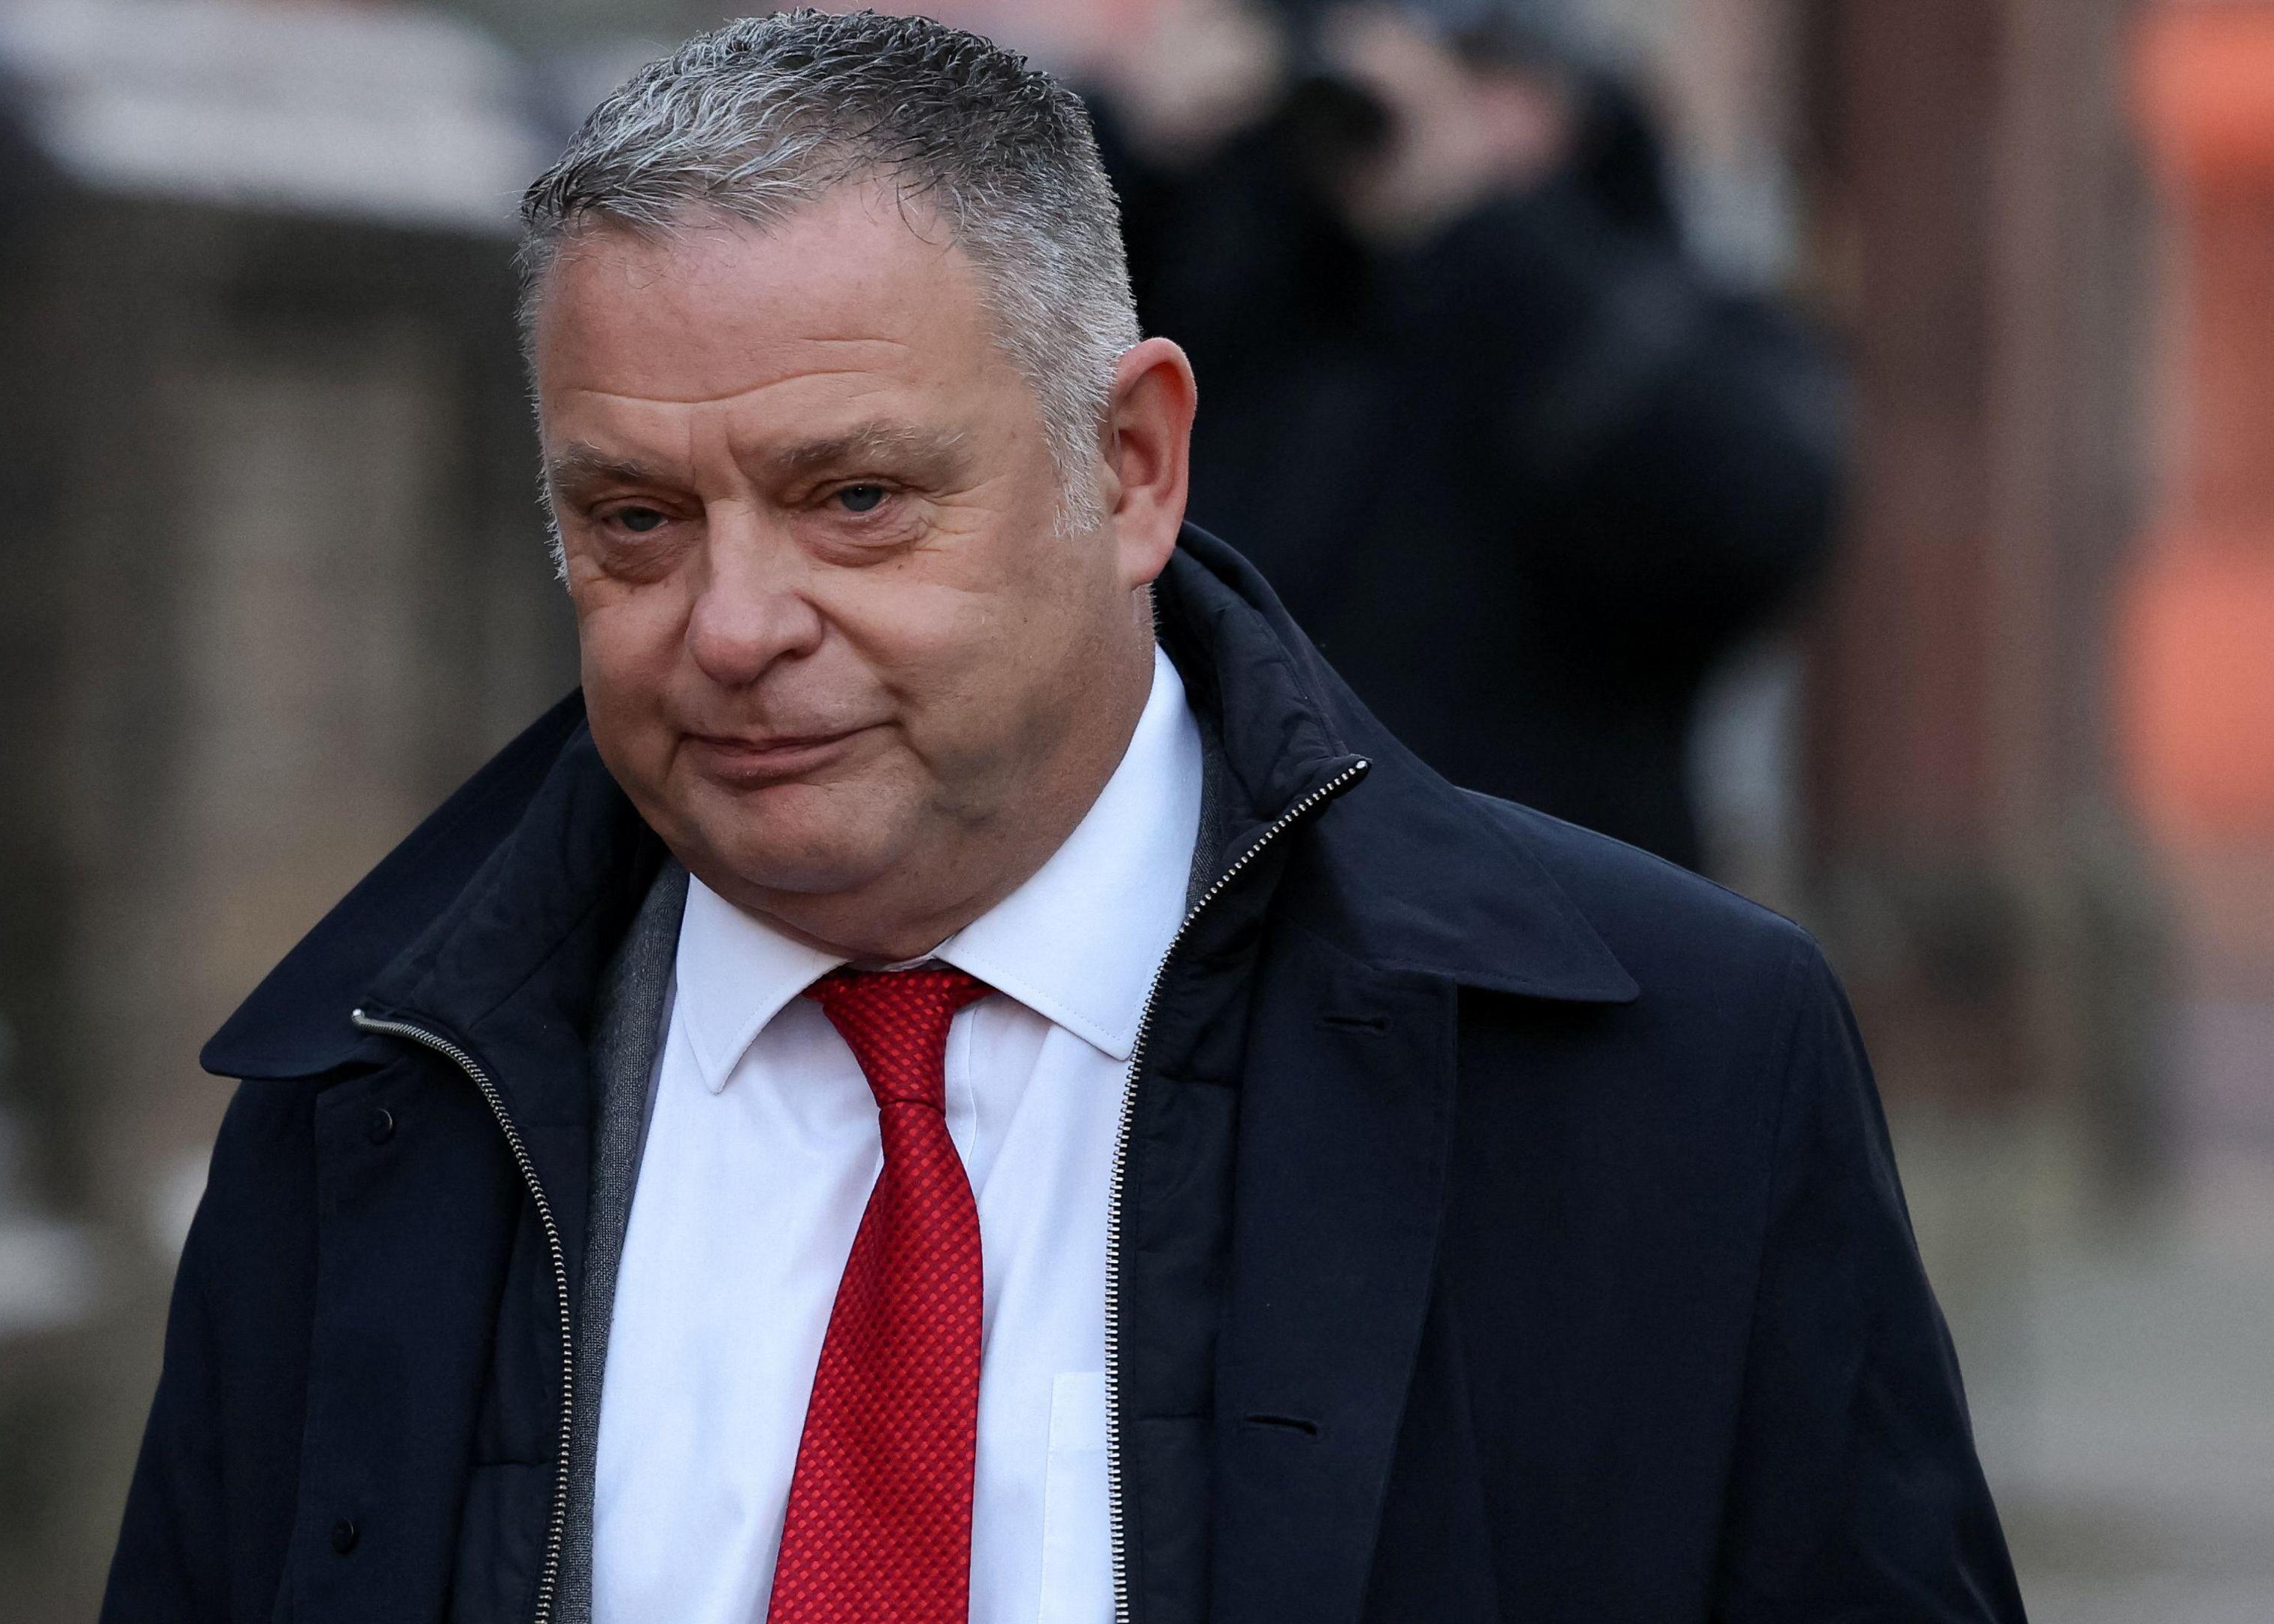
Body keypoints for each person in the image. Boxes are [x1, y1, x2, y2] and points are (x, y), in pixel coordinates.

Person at [101, 12, 2019, 1624]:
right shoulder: (358, 1105)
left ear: (1131, 468)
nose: (734, 625)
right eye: (633, 520)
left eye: (853, 496)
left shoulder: (1671, 1080)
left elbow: (1733, 493)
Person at [1097, 0, 1842, 872]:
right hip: (1230, 906)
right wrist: (1128, 165)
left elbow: (1747, 520)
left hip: (1552, 909)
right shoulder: (1240, 274)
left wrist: (1471, 232)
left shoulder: (1640, 307)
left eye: (1478, 72)